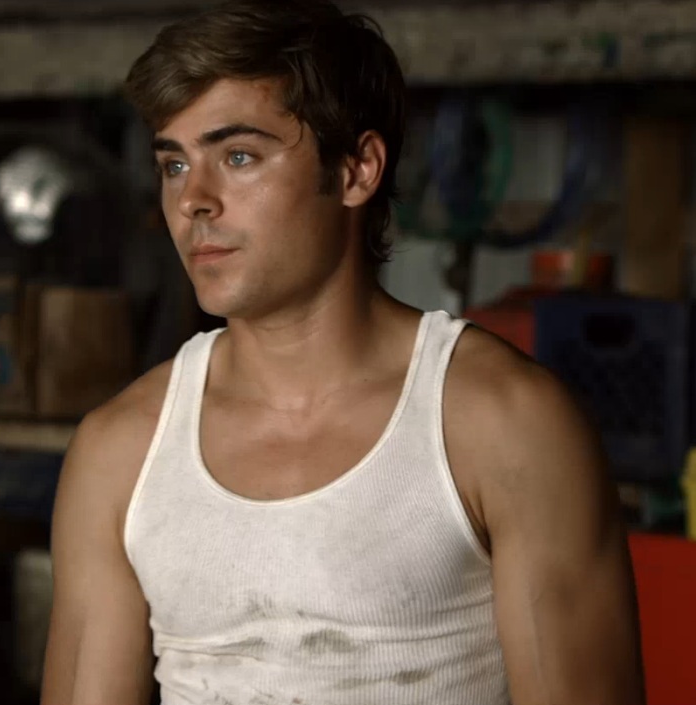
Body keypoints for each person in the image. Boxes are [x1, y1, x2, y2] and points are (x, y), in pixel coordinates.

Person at [40, 1, 645, 704]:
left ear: (357, 170)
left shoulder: (502, 422)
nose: (192, 201)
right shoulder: (121, 451)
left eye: (238, 157)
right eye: (174, 164)